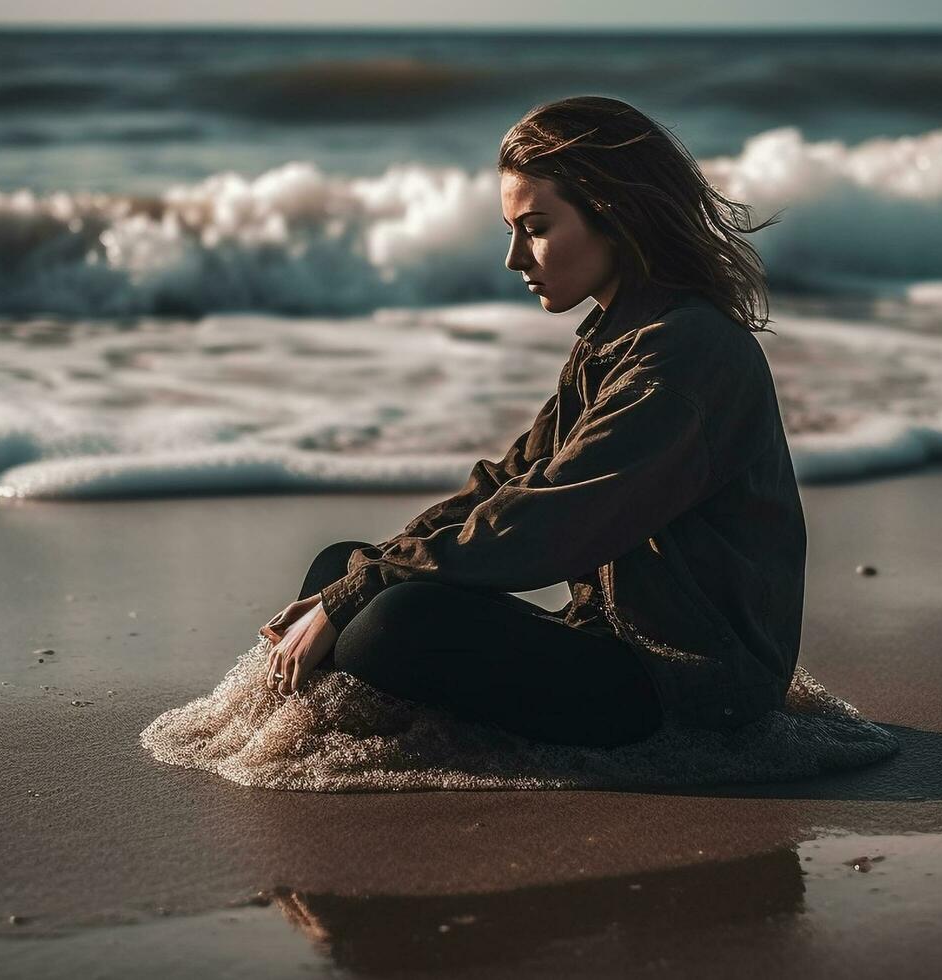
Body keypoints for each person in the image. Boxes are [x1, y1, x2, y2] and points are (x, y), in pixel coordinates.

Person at [256, 95, 806, 748]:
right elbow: (508, 482)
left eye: (537, 227)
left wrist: (366, 594)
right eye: (511, 230)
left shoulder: (686, 354)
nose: (515, 258)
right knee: (338, 571)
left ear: (613, 214)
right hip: (607, 639)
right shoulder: (613, 336)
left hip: (691, 682)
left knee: (387, 623)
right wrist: (360, 578)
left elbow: (551, 521)